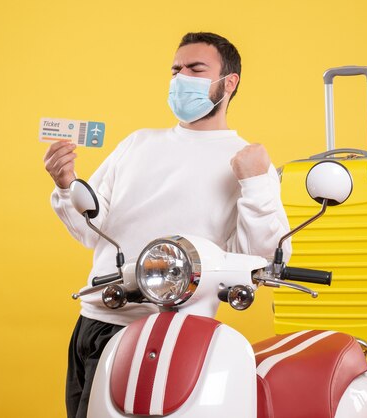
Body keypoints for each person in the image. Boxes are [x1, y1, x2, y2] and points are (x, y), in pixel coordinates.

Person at [43, 32, 292, 418]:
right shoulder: (137, 144)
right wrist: (65, 185)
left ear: (229, 83)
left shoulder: (246, 161)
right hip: (93, 319)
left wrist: (256, 182)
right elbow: (91, 233)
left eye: (195, 69)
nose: (180, 78)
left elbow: (261, 259)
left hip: (165, 334)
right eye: (176, 70)